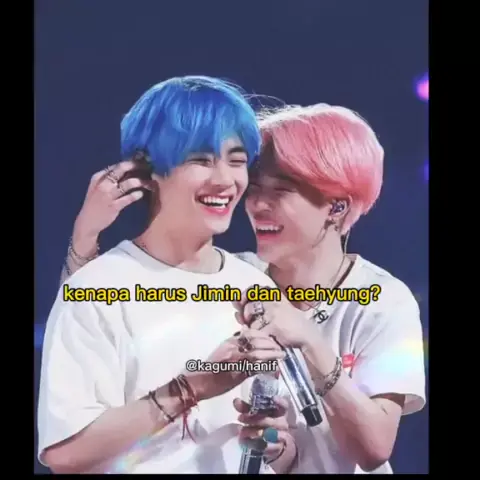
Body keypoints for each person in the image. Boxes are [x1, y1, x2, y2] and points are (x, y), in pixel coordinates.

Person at [56, 102, 426, 473]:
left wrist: (310, 341)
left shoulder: (383, 301)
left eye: (281, 191)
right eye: (256, 188)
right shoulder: (234, 276)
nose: (257, 205)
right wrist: (85, 238)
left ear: (337, 207)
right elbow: (90, 327)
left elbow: (374, 448)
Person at [37, 76, 299, 474]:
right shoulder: (96, 288)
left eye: (236, 160)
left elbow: (282, 448)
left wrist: (273, 442)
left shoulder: (257, 286)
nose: (225, 180)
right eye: (200, 160)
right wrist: (192, 387)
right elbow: (65, 454)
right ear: (147, 170)